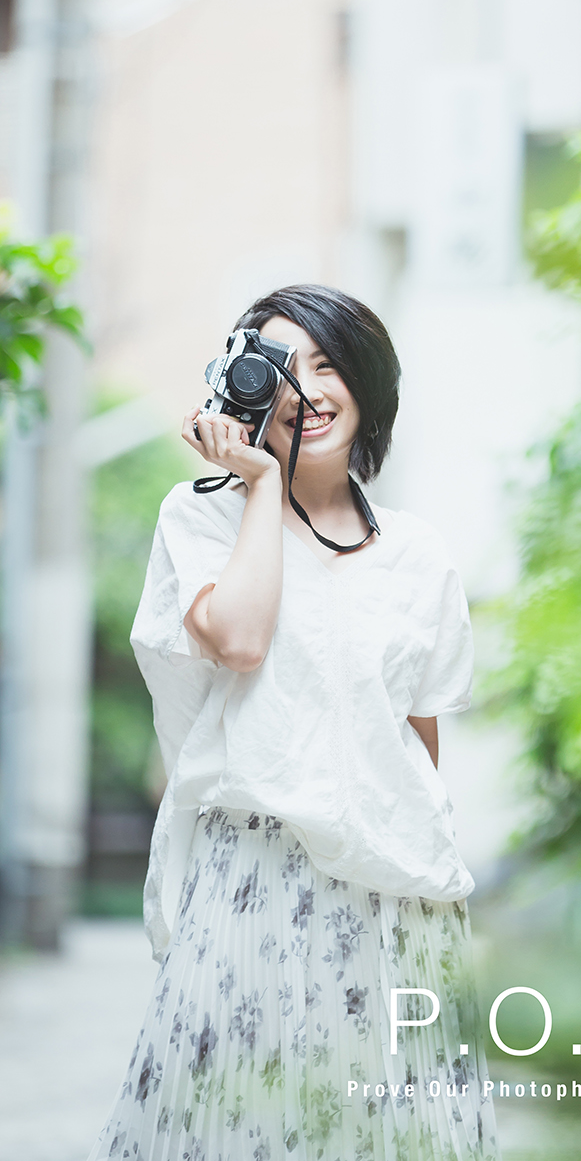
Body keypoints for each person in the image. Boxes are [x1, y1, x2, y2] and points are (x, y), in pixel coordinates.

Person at [87, 283, 501, 1161]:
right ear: (239, 384)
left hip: (396, 898)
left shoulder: (419, 554)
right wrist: (262, 482)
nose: (306, 391)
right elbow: (238, 637)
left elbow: (419, 741)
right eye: (279, 367)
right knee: (242, 1130)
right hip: (256, 883)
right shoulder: (201, 515)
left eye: (328, 364)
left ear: (367, 381)